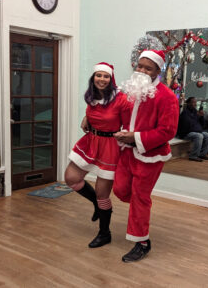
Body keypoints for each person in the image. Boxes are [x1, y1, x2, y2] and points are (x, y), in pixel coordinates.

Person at [113, 50, 179, 262]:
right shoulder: (130, 91)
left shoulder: (167, 97)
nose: (141, 70)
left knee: (140, 197)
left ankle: (142, 241)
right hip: (126, 151)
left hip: (150, 155)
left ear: (158, 71)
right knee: (121, 189)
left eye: (147, 68)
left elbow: (168, 131)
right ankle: (141, 209)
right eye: (139, 66)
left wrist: (136, 137)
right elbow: (115, 113)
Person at [64, 62, 131, 248]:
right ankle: (95, 204)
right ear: (93, 78)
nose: (101, 79)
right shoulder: (91, 97)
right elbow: (93, 114)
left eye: (106, 76)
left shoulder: (121, 99)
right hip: (91, 142)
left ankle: (104, 233)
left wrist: (125, 136)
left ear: (111, 79)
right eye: (98, 75)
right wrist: (86, 118)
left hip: (110, 147)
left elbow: (128, 124)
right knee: (71, 178)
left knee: (103, 194)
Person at [177, 97, 208, 162]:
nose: (195, 104)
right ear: (188, 103)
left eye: (195, 102)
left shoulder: (195, 112)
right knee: (199, 136)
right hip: (186, 133)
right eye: (193, 102)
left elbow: (202, 125)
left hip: (196, 131)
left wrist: (201, 117)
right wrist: (197, 117)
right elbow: (188, 126)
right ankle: (193, 155)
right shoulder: (185, 113)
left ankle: (202, 154)